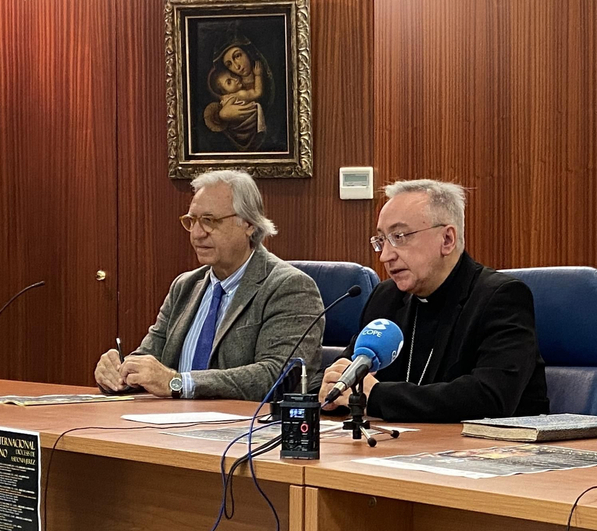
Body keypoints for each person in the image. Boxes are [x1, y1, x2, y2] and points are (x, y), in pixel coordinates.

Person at [319, 179, 548, 423]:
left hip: (489, 453)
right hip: (396, 450)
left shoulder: (501, 298)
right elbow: (348, 375)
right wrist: (331, 390)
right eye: (382, 240)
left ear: (447, 239)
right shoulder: (386, 298)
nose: (385, 256)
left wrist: (376, 395)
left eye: (399, 236)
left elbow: (491, 396)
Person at [94, 169, 323, 400]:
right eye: (191, 221)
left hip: (241, 430)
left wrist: (179, 383)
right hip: (166, 425)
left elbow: (277, 375)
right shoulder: (185, 286)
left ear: (249, 224)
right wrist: (118, 373)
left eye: (209, 221)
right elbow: (151, 361)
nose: (196, 234)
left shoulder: (290, 287)